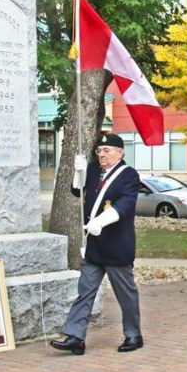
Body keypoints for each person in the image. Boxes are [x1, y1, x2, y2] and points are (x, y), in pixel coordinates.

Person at [50, 133, 144, 355]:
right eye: (99, 151)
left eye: (106, 150)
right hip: (94, 244)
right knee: (85, 291)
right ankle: (75, 337)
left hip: (117, 244)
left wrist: (101, 221)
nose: (101, 154)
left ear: (120, 153)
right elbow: (78, 191)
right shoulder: (93, 169)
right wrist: (78, 172)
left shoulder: (128, 175)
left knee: (125, 293)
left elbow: (126, 204)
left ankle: (133, 334)